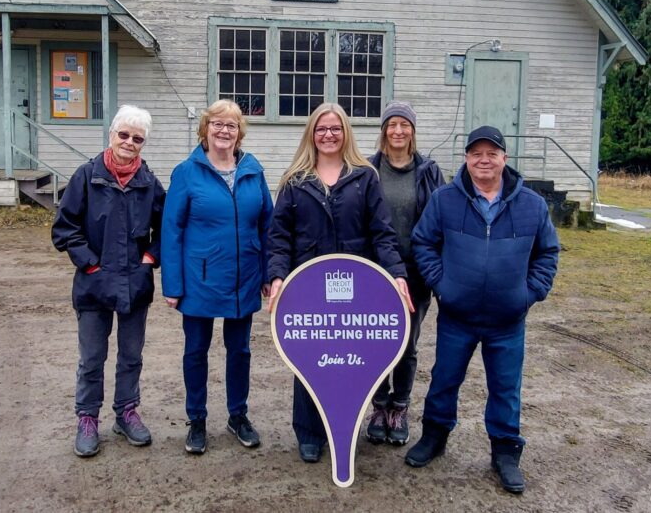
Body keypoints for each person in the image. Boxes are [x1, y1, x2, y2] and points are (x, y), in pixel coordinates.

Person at [406, 125, 560, 494]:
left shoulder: (532, 206)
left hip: (508, 321)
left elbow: (548, 253)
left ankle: (505, 452)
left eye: (492, 153)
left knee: (506, 388)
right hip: (457, 317)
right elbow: (423, 243)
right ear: (466, 159)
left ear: (505, 158)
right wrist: (443, 285)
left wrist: (529, 293)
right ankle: (434, 436)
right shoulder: (445, 200)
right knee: (444, 379)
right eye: (476, 153)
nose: (484, 160)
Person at [267, 102, 414, 464]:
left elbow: (382, 233)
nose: (328, 135)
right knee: (308, 360)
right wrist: (277, 275)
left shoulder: (364, 177)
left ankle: (342, 427)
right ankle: (309, 432)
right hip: (307, 287)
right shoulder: (295, 180)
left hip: (355, 289)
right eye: (321, 129)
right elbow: (279, 237)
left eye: (335, 129)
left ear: (345, 133)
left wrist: (396, 273)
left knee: (349, 361)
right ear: (311, 135)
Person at [52, 104, 164, 458]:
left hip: (135, 283)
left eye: (138, 138)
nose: (129, 142)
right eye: (124, 134)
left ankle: (126, 412)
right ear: (112, 133)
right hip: (93, 285)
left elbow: (167, 230)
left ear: (143, 143)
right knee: (92, 358)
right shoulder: (86, 176)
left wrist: (150, 258)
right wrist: (90, 266)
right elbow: (65, 228)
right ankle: (87, 418)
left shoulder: (149, 184)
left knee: (131, 355)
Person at [161, 99, 273, 455]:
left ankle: (237, 415)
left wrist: (270, 272)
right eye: (217, 124)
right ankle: (196, 419)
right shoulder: (187, 172)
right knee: (196, 350)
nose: (224, 131)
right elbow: (172, 229)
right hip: (200, 278)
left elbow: (268, 225)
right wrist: (173, 284)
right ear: (205, 128)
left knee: (239, 350)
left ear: (240, 133)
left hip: (245, 277)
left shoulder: (253, 170)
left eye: (232, 125)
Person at [365, 101, 445, 446]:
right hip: (375, 272)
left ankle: (400, 406)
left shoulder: (428, 171)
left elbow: (442, 220)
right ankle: (379, 405)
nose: (398, 131)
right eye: (392, 124)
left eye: (404, 125)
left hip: (415, 273)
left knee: (406, 344)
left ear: (413, 130)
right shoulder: (367, 169)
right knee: (375, 341)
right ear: (384, 130)